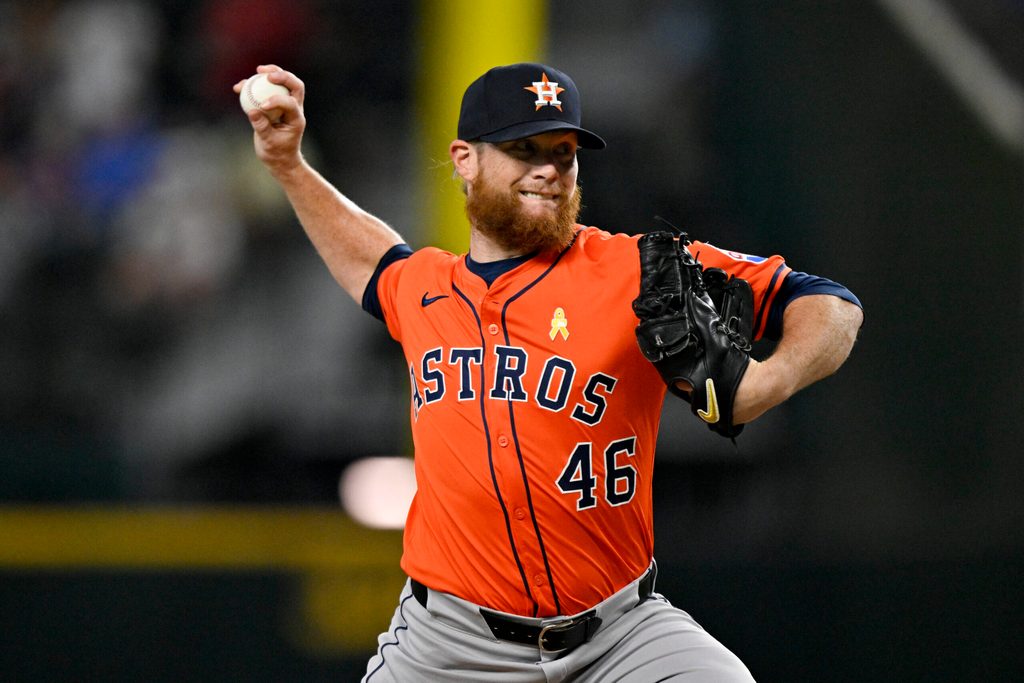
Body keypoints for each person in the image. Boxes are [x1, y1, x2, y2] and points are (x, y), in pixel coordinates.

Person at [235, 62, 863, 682]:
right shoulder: (423, 289)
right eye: (522, 148)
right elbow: (368, 255)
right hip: (448, 646)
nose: (548, 170)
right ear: (464, 159)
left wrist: (767, 382)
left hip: (619, 634)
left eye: (564, 153)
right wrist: (288, 165)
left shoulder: (634, 272)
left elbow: (831, 305)